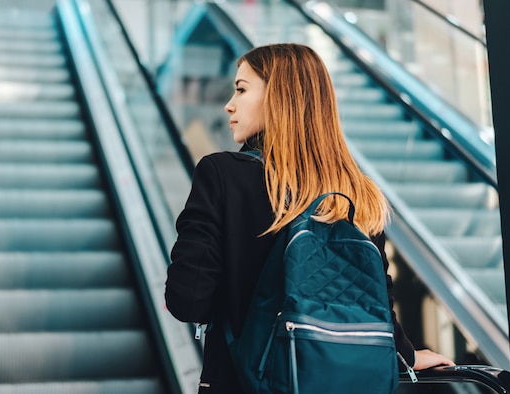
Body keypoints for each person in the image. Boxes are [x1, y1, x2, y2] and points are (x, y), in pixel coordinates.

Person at [164, 43, 454, 393]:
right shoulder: (356, 193)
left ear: (280, 97)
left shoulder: (221, 174)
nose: (230, 104)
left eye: (241, 89)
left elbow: (187, 299)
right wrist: (406, 355)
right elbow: (374, 303)